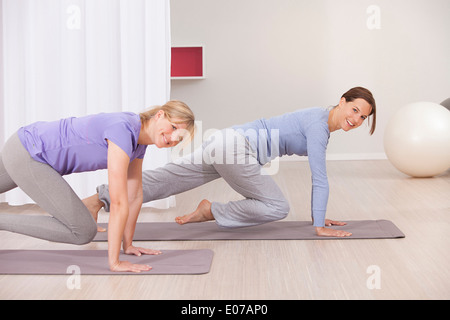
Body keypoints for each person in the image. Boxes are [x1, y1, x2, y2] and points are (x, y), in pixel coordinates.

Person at [84, 87, 376, 237]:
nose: (356, 119)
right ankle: (211, 210)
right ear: (341, 101)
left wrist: (319, 215)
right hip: (236, 148)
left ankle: (96, 200)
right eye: (354, 109)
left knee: (167, 178)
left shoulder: (319, 118)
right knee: (277, 207)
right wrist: (319, 223)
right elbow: (320, 177)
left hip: (226, 141)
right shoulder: (319, 126)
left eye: (363, 117)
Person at [0, 101, 195, 272]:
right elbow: (119, 202)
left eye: (179, 138)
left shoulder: (139, 144)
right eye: (173, 127)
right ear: (159, 114)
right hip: (31, 154)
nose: (173, 138)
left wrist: (128, 245)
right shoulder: (123, 131)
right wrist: (115, 262)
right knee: (83, 231)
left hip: (22, 145)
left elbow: (134, 196)